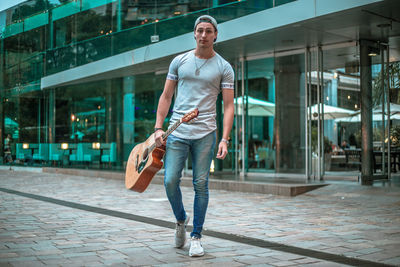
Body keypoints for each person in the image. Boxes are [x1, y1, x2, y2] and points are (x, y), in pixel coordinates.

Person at [154, 15, 234, 257]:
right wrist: (159, 127)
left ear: (215, 35)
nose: (203, 35)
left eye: (208, 31)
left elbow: (229, 106)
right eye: (200, 30)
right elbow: (166, 96)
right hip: (177, 131)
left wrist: (225, 139)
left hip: (206, 133)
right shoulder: (180, 61)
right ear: (194, 33)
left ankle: (196, 236)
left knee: (201, 184)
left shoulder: (224, 67)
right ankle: (181, 220)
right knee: (169, 181)